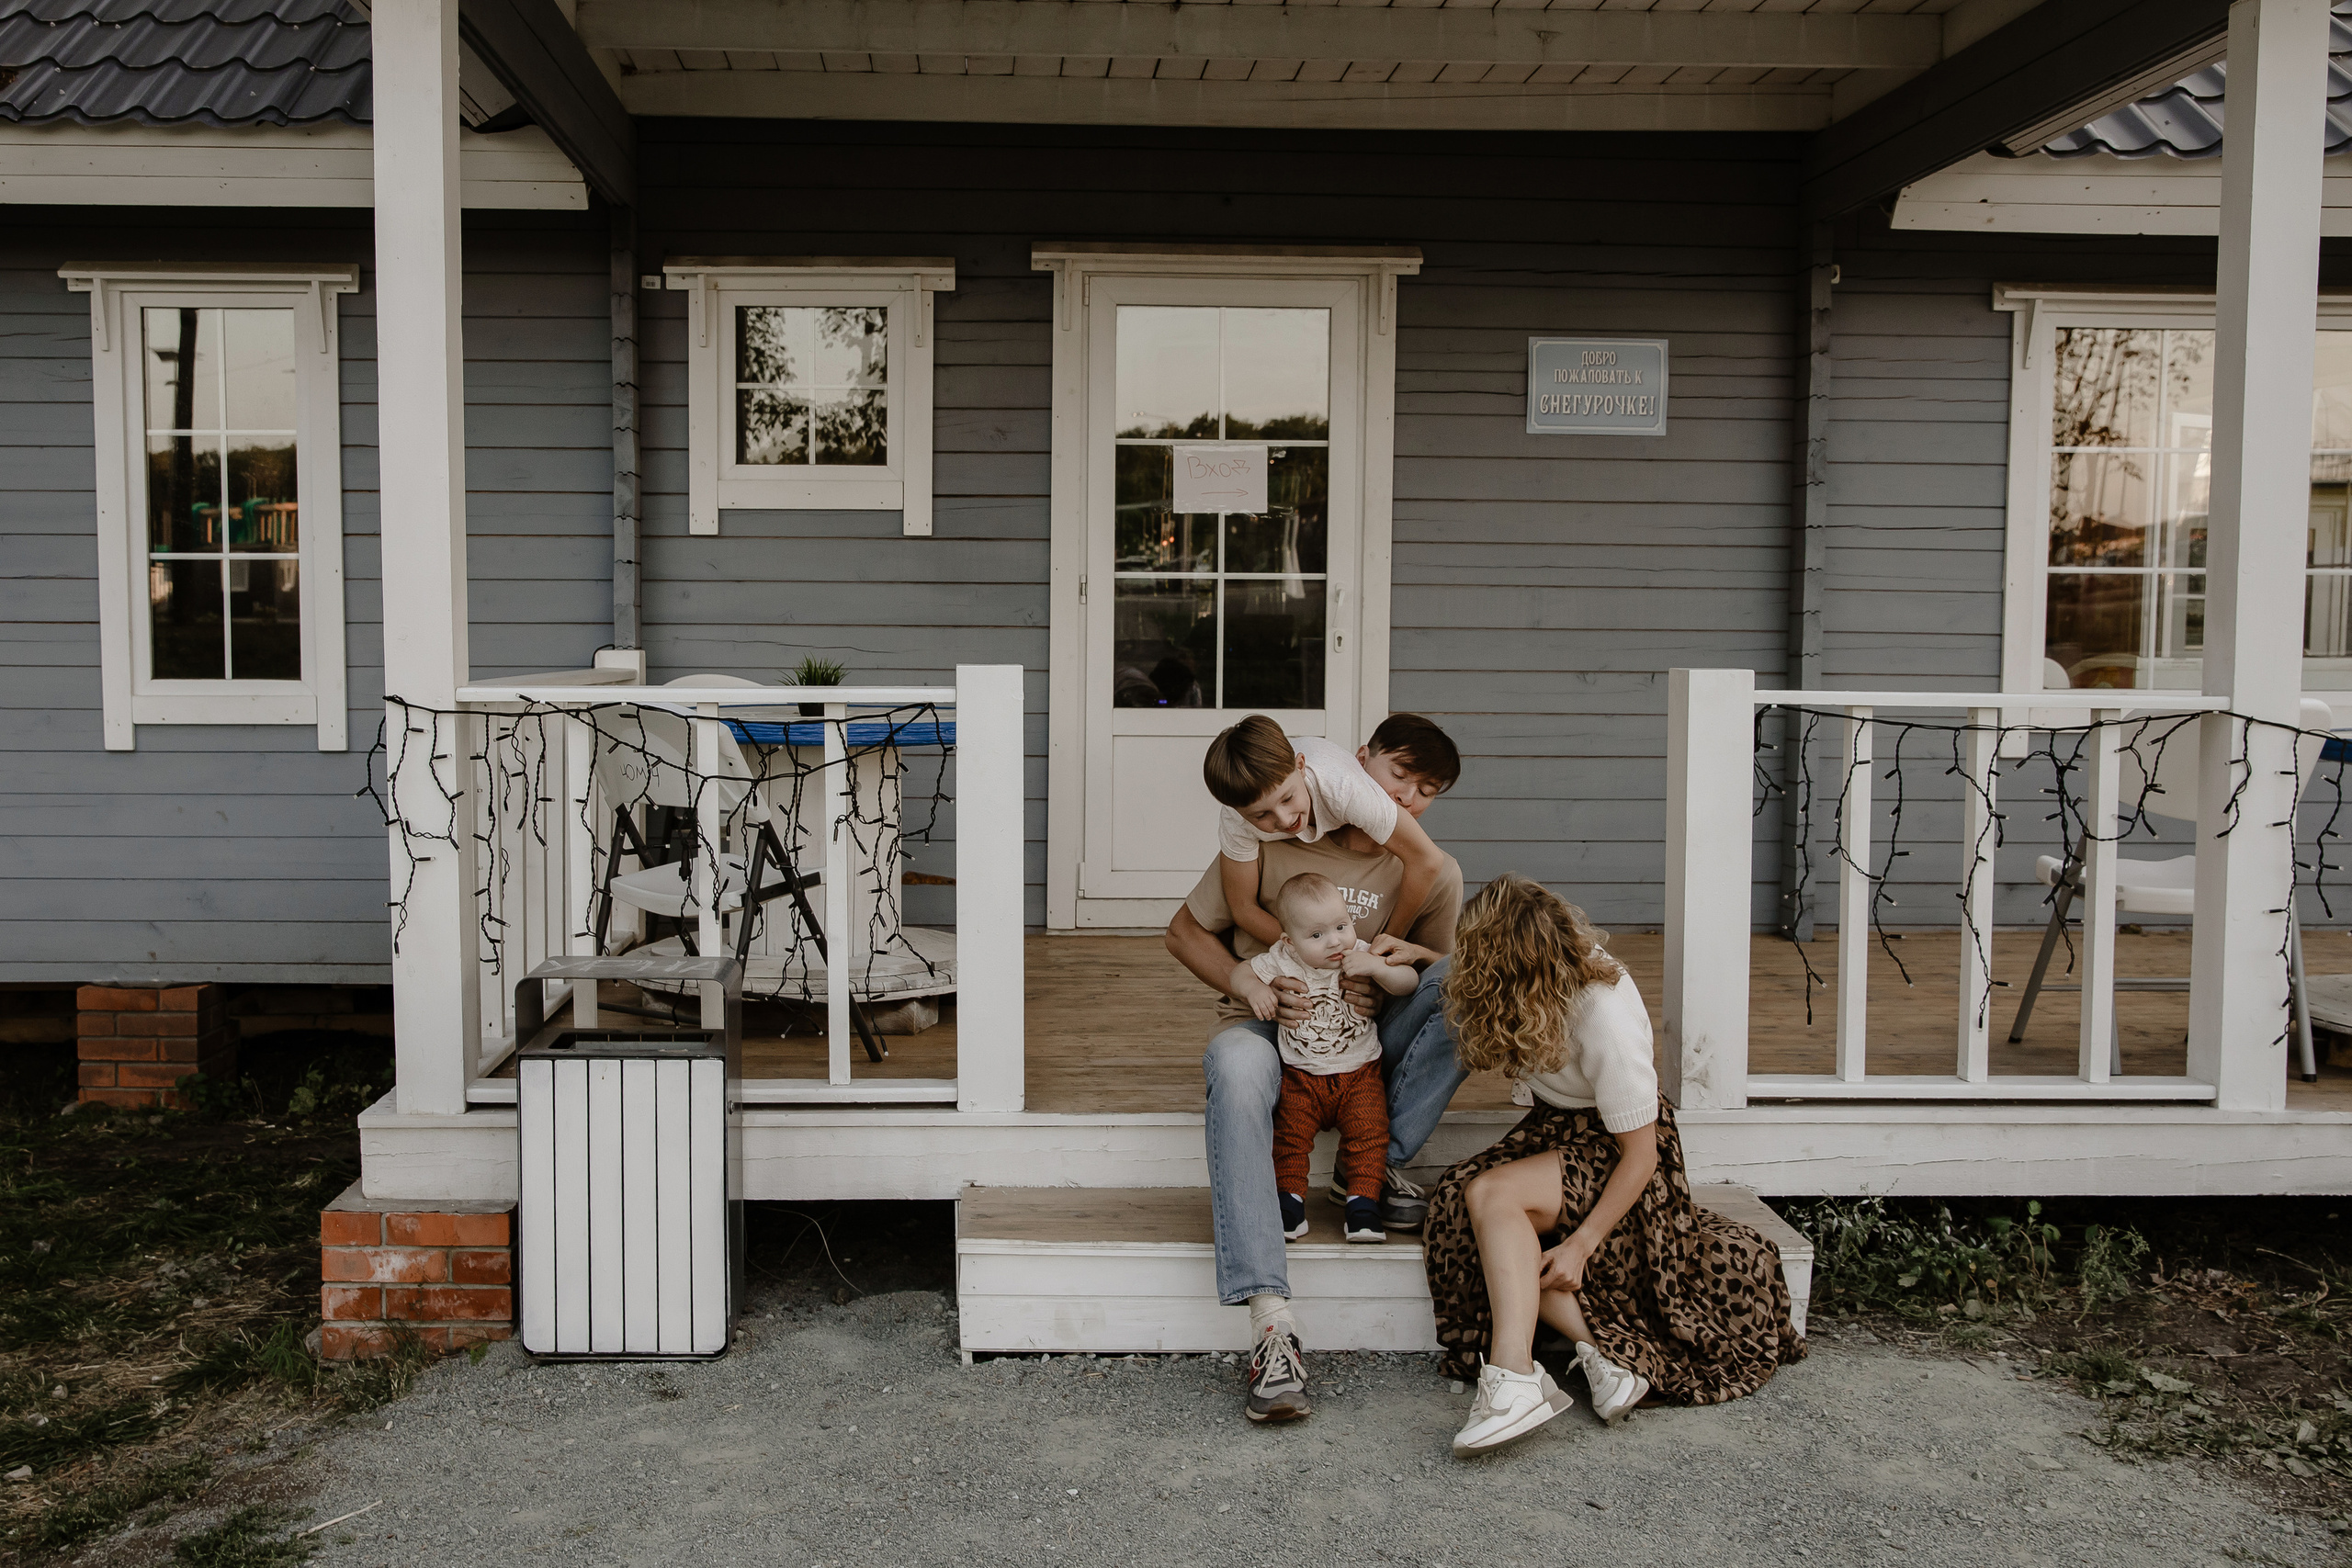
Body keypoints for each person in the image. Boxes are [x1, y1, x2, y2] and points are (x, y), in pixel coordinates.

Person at [1419, 874, 1804, 1457]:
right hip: (1562, 1130)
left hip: (1623, 1153)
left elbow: (1643, 1154)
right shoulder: (1525, 989)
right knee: (1462, 1197)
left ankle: (1513, 1378)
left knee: (1494, 1197)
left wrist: (1582, 1244)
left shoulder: (1601, 1015)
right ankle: (1606, 1357)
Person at [1164, 713, 1466, 1423]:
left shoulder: (1431, 869)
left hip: (1365, 1041)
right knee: (1232, 1064)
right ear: (1362, 766)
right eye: (1399, 779)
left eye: (1427, 790)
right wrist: (1247, 979)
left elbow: (1435, 968)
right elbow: (1184, 929)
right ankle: (1271, 1318)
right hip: (1273, 1027)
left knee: (1465, 988)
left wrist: (1384, 962)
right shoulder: (1273, 835)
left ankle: (1372, 1155)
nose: (1411, 799)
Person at [1230, 872, 1420, 1246]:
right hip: (1302, 1076)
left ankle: (1362, 1205)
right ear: (1290, 941)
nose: (1335, 941)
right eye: (1316, 935)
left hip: (1360, 1073)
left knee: (1369, 1136)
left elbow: (1410, 982)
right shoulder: (1282, 960)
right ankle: (1289, 1204)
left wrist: (1380, 969)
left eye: (1341, 925)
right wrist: (1254, 987)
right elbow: (1240, 972)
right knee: (1289, 1139)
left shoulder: (1361, 952)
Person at [1204, 716, 1449, 957]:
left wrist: (1383, 947)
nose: (1285, 819)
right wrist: (1312, 953)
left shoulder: (1346, 789)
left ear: (1301, 767)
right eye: (1261, 816)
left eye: (1288, 798)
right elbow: (1243, 908)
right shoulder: (1236, 822)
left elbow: (1428, 860)